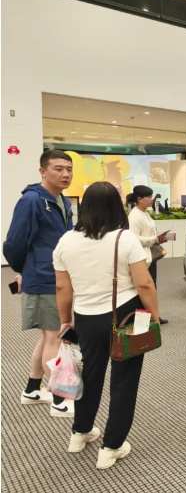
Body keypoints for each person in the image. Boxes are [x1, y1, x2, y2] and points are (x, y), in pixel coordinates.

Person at [53, 181, 159, 469]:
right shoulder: (125, 239)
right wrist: (154, 315)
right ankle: (111, 447)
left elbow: (62, 288)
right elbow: (144, 283)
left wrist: (65, 320)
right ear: (116, 207)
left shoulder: (66, 241)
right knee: (124, 380)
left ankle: (80, 433)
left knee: (89, 375)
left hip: (85, 316)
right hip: (125, 314)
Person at [3, 149, 75, 417]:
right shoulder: (32, 200)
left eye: (69, 169)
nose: (65, 174)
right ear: (43, 171)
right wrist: (25, 270)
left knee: (48, 336)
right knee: (54, 337)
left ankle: (32, 390)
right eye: (58, 169)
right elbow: (14, 243)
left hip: (57, 277)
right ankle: (60, 400)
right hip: (44, 278)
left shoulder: (62, 201)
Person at [127, 185, 169, 325]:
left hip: (149, 255)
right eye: (149, 197)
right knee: (144, 288)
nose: (152, 199)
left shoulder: (145, 213)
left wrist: (157, 238)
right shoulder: (134, 216)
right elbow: (134, 238)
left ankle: (153, 315)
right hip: (141, 258)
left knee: (151, 287)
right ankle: (144, 319)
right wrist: (154, 239)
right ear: (139, 199)